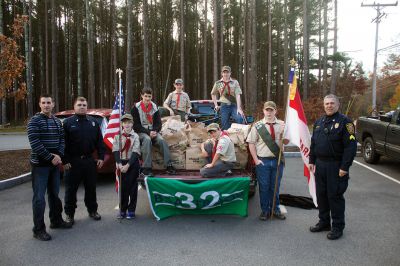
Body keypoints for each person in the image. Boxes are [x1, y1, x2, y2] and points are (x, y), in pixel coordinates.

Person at [309, 94, 357, 240]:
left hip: (336, 166)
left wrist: (344, 167)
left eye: (332, 103)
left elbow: (351, 147)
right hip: (320, 165)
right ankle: (324, 222)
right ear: (324, 105)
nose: (329, 105)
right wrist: (312, 160)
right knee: (321, 196)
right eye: (326, 103)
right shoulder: (319, 122)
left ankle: (337, 227)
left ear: (337, 105)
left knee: (334, 197)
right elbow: (314, 143)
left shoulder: (346, 123)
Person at [27, 94, 72, 241]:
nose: (46, 105)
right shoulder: (34, 121)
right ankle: (38, 229)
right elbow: (35, 143)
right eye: (43, 103)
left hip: (54, 166)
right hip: (40, 166)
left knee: (54, 195)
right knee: (39, 199)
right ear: (39, 105)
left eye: (49, 102)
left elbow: (62, 140)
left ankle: (56, 221)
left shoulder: (57, 122)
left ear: (53, 104)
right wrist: (51, 157)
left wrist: (58, 155)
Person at [62, 97, 105, 225]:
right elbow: (62, 143)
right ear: (74, 107)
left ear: (87, 107)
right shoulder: (67, 123)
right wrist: (65, 160)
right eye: (79, 104)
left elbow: (100, 142)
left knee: (91, 188)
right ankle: (69, 214)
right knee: (71, 190)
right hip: (72, 162)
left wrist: (101, 157)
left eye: (84, 105)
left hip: (88, 161)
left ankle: (92, 211)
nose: (82, 107)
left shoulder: (93, 122)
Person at [247, 101, 289, 221]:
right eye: (267, 110)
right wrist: (256, 160)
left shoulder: (282, 124)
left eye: (271, 110)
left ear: (276, 111)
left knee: (275, 187)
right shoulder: (257, 126)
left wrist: (283, 135)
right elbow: (251, 143)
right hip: (263, 161)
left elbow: (286, 142)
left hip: (277, 160)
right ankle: (265, 211)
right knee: (264, 187)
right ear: (263, 111)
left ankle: (275, 209)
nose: (269, 112)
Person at [131, 88, 176, 176]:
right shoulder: (136, 108)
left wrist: (155, 131)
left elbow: (158, 123)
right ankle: (146, 168)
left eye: (149, 96)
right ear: (141, 96)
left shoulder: (154, 107)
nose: (147, 99)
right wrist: (148, 133)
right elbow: (136, 125)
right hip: (141, 132)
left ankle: (169, 165)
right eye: (146, 96)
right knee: (147, 139)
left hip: (153, 131)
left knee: (161, 140)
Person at [112, 114, 141, 220]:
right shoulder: (117, 136)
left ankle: (131, 210)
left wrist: (128, 165)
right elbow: (115, 150)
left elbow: (136, 151)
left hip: (132, 164)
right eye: (124, 122)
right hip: (121, 163)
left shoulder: (136, 136)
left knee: (133, 188)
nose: (127, 124)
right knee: (122, 188)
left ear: (132, 124)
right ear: (122, 124)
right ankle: (122, 209)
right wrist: (119, 164)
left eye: (129, 122)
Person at [211, 66, 244, 130]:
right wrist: (216, 105)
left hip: (234, 105)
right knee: (224, 125)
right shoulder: (218, 83)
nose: (226, 74)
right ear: (222, 73)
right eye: (224, 72)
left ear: (230, 73)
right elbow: (213, 94)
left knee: (239, 118)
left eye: (227, 72)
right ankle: (227, 138)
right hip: (224, 106)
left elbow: (238, 95)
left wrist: (239, 108)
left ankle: (238, 135)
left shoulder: (235, 82)